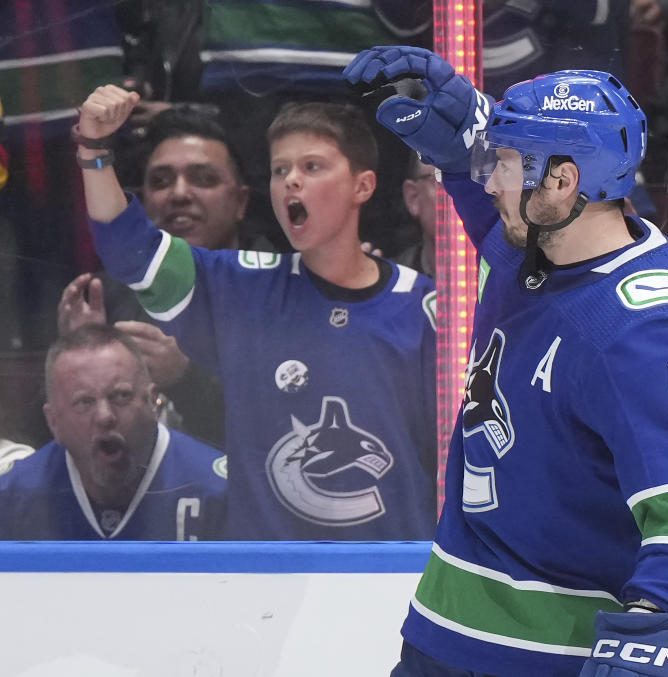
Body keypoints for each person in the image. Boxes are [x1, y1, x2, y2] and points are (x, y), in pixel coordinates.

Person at [345, 46, 668, 677]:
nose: (489, 180)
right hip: (442, 630)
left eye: (505, 165)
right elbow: (489, 197)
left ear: (563, 182)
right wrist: (462, 136)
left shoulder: (645, 330)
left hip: (549, 658)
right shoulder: (533, 242)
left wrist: (649, 638)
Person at [74, 85, 438, 541]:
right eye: (280, 169)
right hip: (264, 581)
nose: (291, 181)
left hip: (392, 575)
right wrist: (94, 149)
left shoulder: (426, 309)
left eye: (312, 167)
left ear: (362, 186)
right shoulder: (241, 286)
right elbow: (130, 249)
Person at [57, 108, 263, 448]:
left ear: (240, 201)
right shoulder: (102, 298)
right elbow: (54, 434)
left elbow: (280, 432)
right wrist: (77, 361)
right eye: (161, 182)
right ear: (144, 200)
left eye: (204, 179)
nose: (179, 194)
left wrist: (184, 379)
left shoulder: (281, 287)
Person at [0, 323, 226, 540]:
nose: (105, 416)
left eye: (121, 396)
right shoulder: (11, 497)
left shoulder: (222, 492)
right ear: (53, 422)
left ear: (152, 402)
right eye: (84, 402)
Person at [392, 153, 437, 278]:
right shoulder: (393, 280)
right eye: (440, 179)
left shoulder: (496, 276)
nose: (460, 194)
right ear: (413, 198)